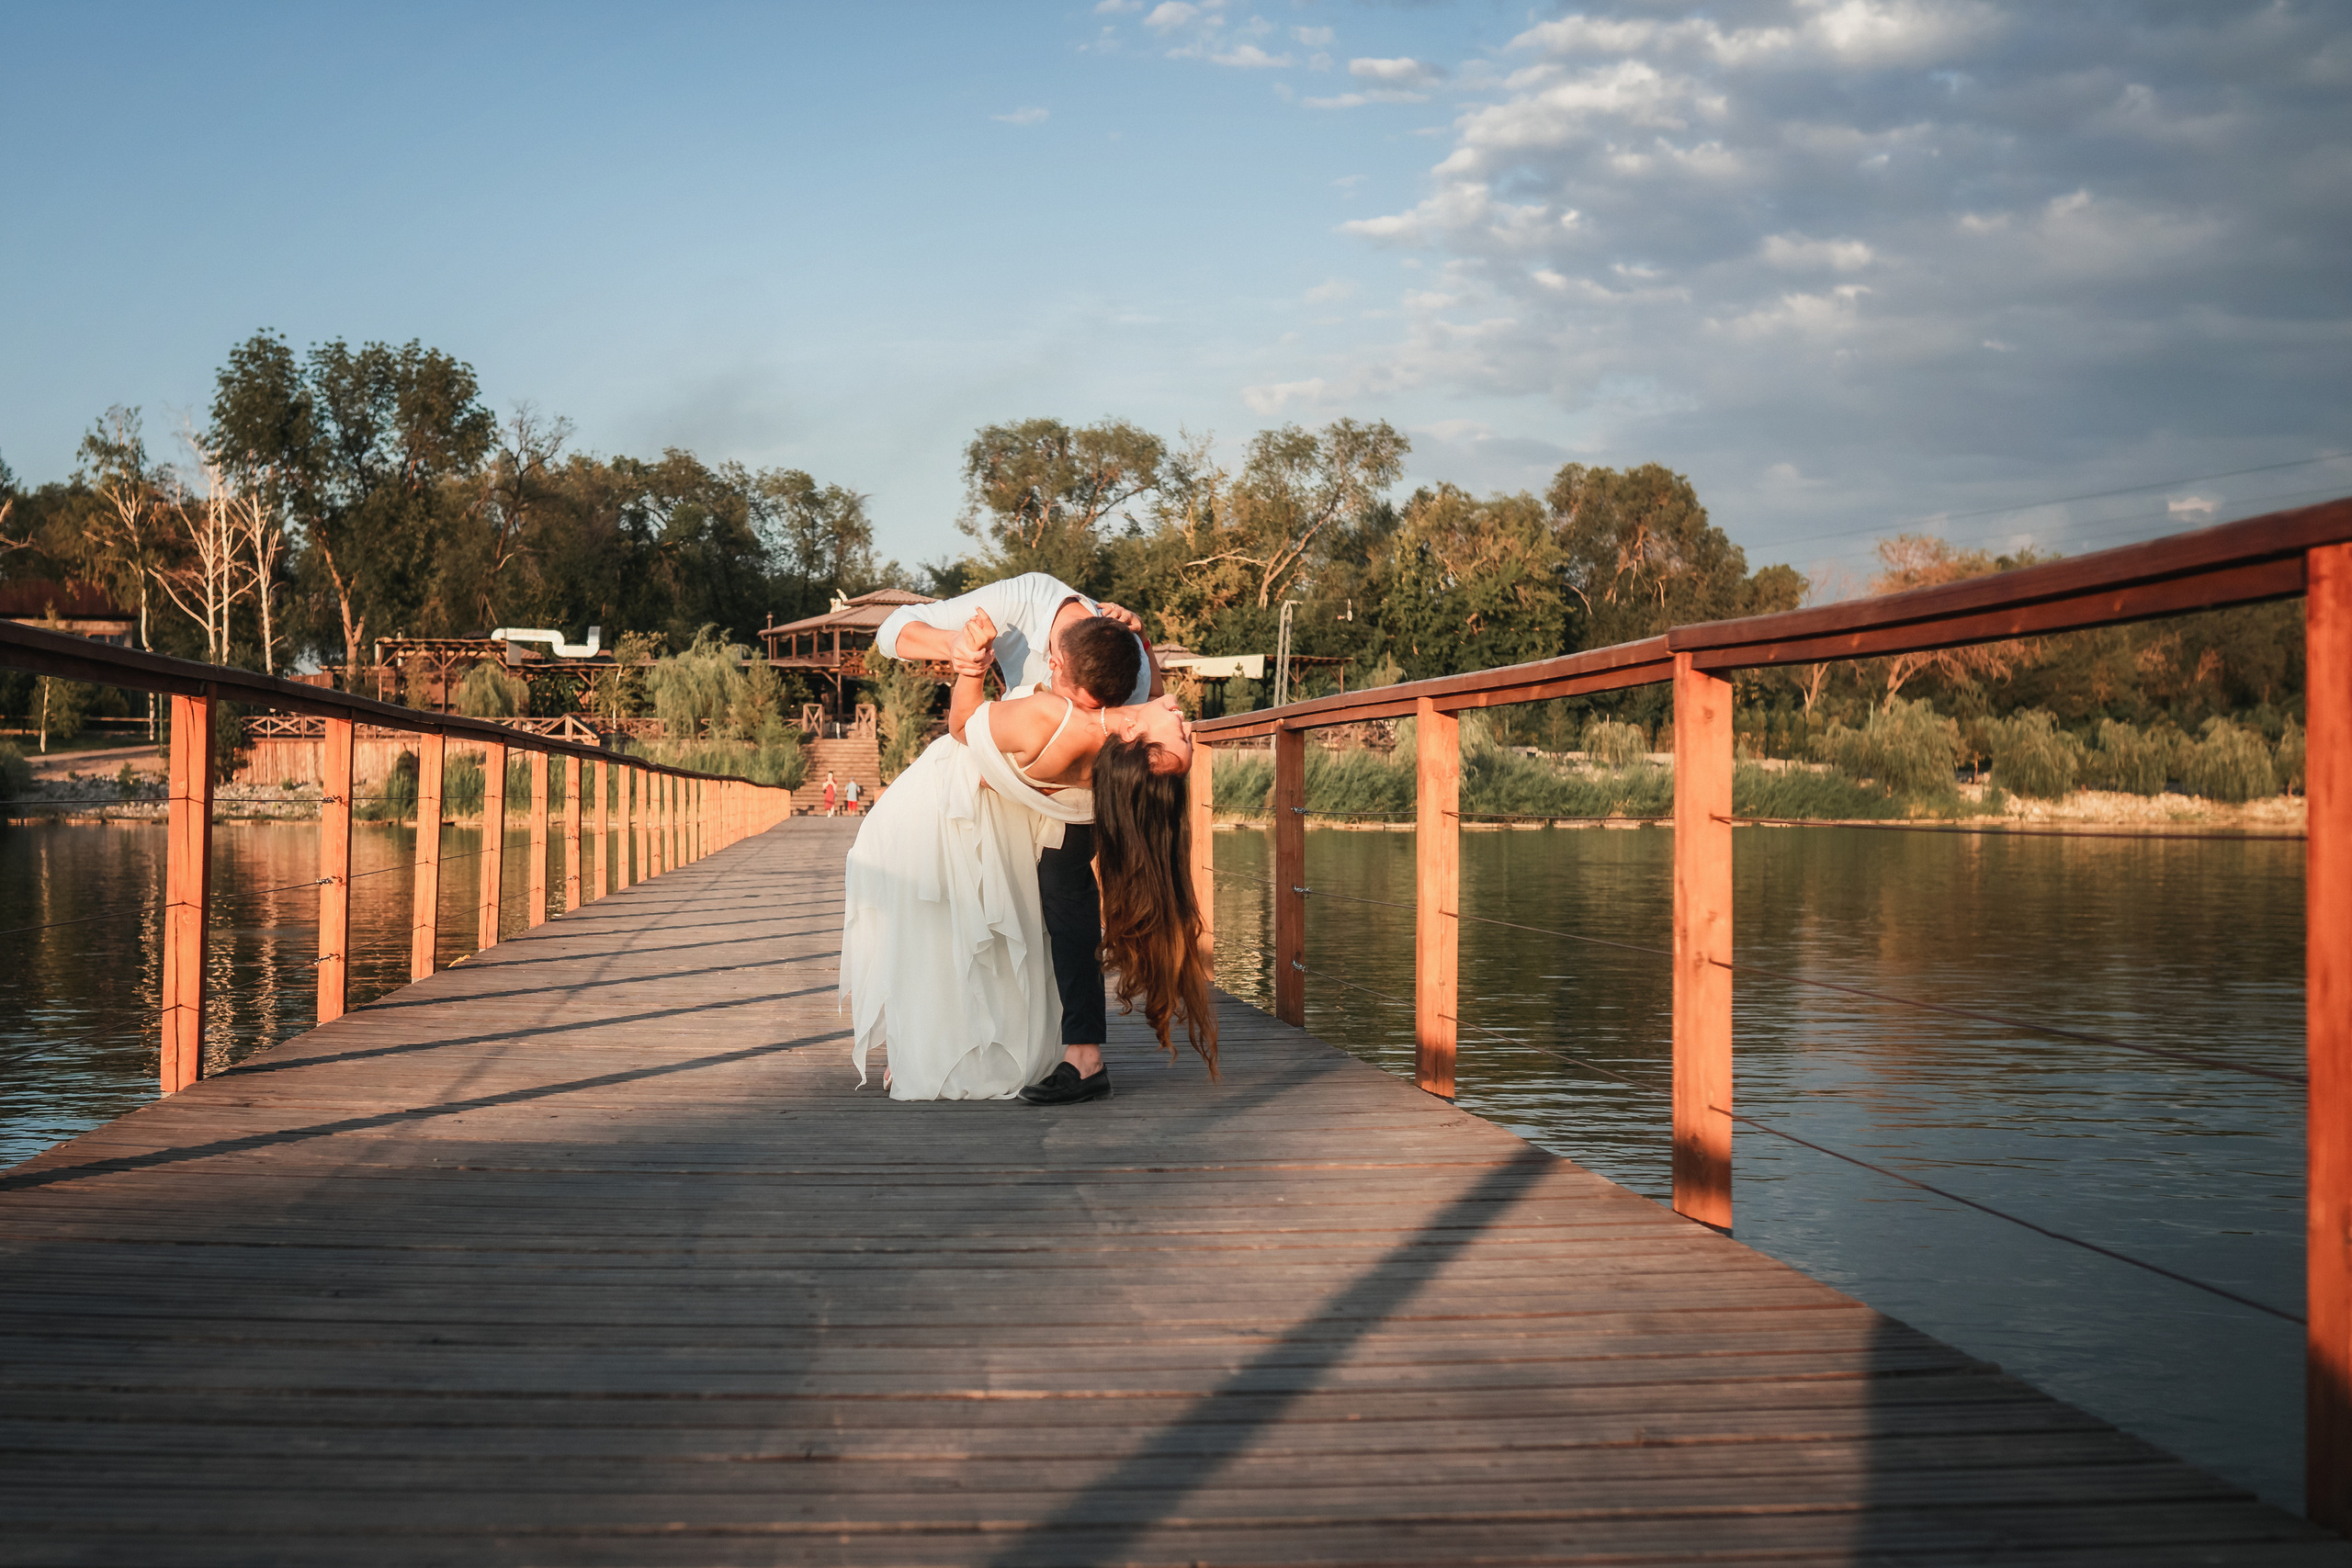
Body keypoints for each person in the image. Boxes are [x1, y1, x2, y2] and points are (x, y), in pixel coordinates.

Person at [840, 611, 1215, 1101]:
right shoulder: (1120, 750)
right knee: (987, 930)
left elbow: (961, 726)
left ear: (1133, 736)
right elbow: (1155, 700)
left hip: (943, 810)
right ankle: (926, 1044)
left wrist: (972, 668)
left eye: (1181, 737)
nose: (1186, 723)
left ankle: (927, 1048)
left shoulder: (1054, 722)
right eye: (1190, 735)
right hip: (990, 811)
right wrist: (1142, 644)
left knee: (952, 928)